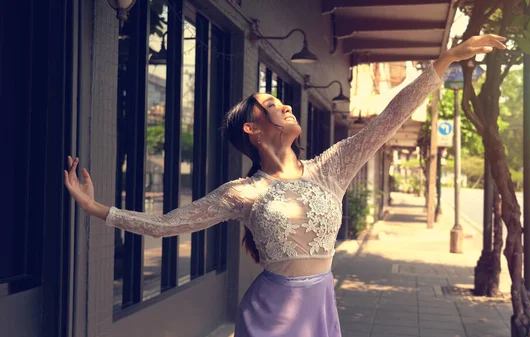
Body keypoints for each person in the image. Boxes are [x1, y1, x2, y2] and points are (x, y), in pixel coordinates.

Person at [64, 34, 506, 337]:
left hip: (319, 310)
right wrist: (96, 208)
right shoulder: (243, 192)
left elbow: (389, 122)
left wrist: (443, 62)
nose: (286, 105)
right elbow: (166, 224)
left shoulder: (331, 167)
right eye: (272, 104)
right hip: (269, 314)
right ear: (253, 131)